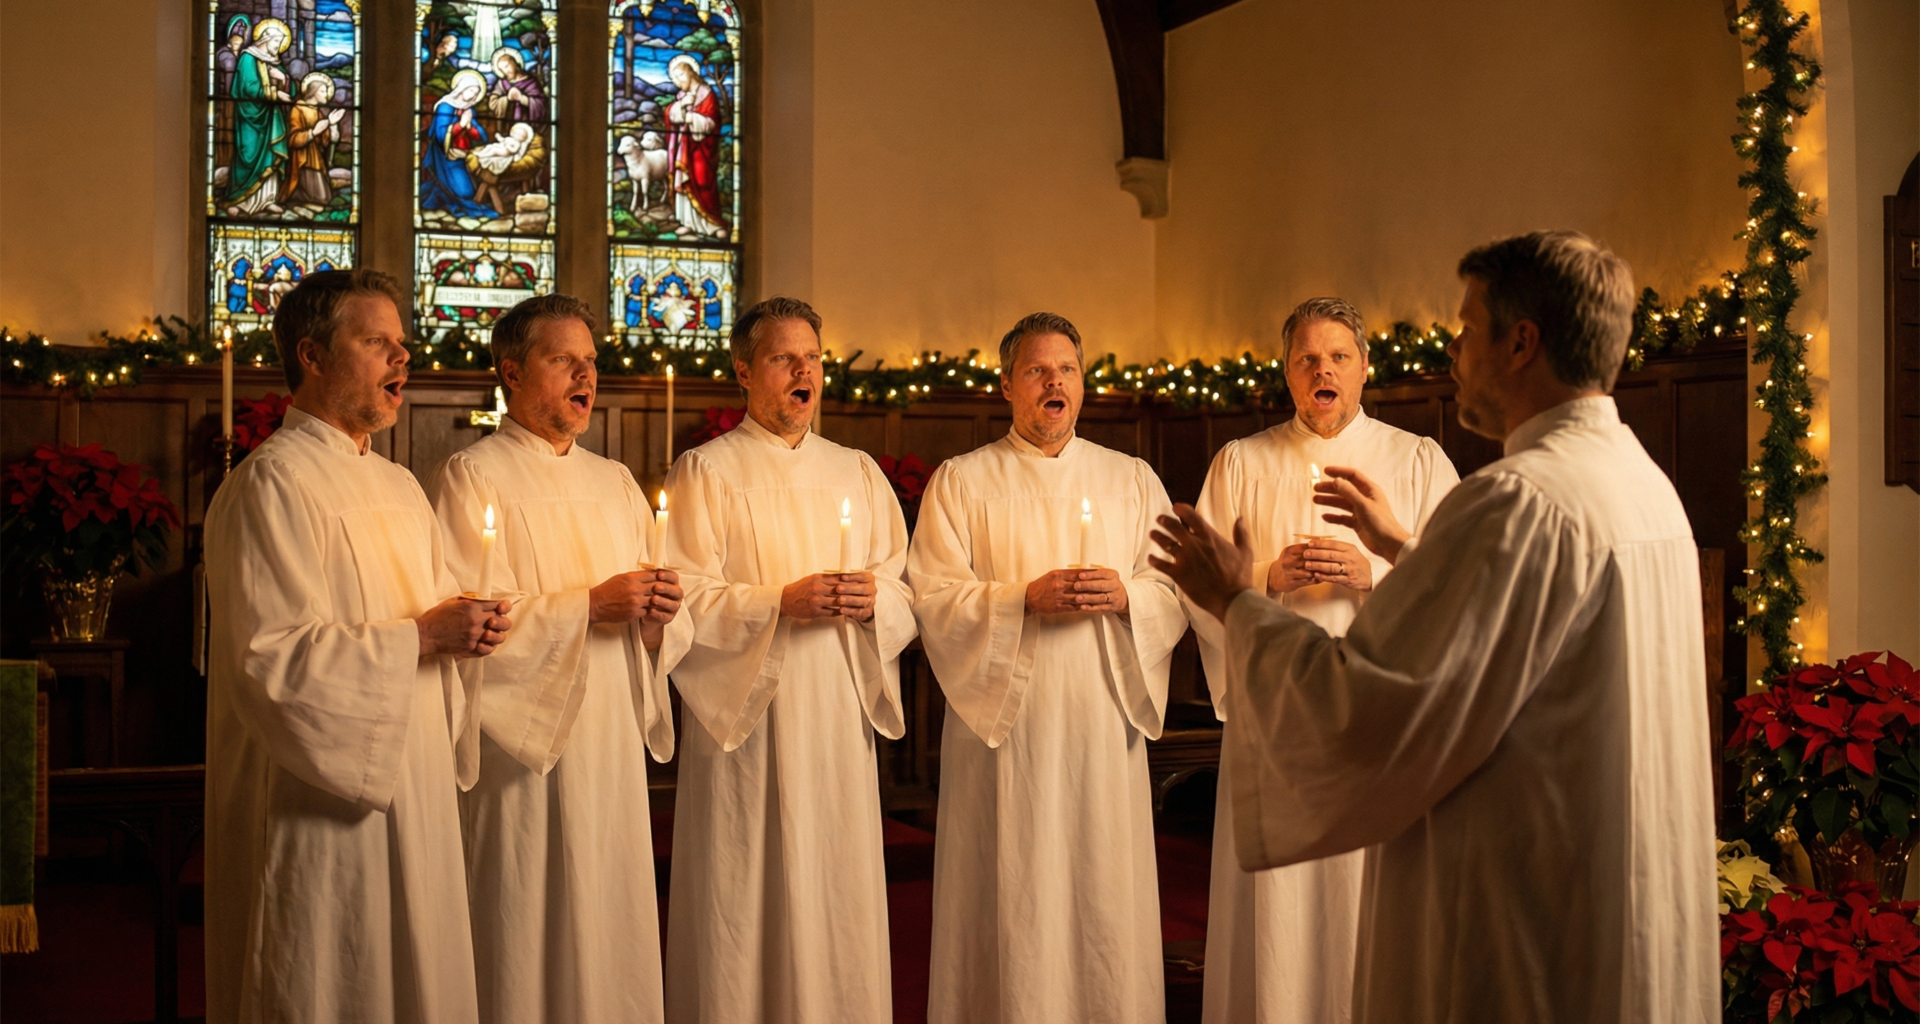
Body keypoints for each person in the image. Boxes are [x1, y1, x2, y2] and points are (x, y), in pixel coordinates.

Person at [1149, 231, 1716, 1024]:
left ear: (1521, 343)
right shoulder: (1641, 486)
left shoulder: (1519, 499)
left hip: (1529, 911)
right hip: (1622, 890)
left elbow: (1362, 710)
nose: (1452, 350)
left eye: (1465, 326)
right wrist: (1404, 548)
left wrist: (1237, 599)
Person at [203, 268, 511, 1024]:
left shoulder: (403, 486)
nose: (401, 360)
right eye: (377, 343)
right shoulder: (270, 484)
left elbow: (437, 617)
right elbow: (270, 658)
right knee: (329, 973)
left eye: (401, 346)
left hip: (415, 778)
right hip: (319, 797)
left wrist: (470, 629)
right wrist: (425, 634)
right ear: (311, 355)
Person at [908, 312, 1187, 1024]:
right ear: (1007, 385)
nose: (1054, 382)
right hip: (1007, 732)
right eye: (1037, 370)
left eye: (1066, 369)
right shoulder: (962, 481)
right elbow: (932, 598)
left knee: (1100, 890)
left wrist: (1128, 594)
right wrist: (1018, 600)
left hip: (1101, 718)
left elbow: (1175, 588)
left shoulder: (1131, 479)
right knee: (1012, 891)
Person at [1192, 298, 1457, 1024]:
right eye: (1307, 358)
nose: (1323, 370)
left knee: (1371, 896)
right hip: (1279, 720)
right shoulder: (1241, 463)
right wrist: (1268, 581)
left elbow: (1463, 587)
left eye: (1339, 356)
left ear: (1365, 368)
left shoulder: (1417, 461)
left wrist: (1375, 576)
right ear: (1286, 372)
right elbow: (1197, 590)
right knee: (1279, 910)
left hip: (1382, 720)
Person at [427, 295, 685, 1024]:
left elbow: (659, 614)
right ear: (511, 371)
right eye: (563, 360)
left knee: (609, 912)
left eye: (592, 362)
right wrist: (586, 608)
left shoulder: (615, 483)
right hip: (523, 749)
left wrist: (661, 619)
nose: (586, 376)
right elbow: (468, 618)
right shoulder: (472, 477)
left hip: (605, 737)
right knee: (523, 912)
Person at [661, 297, 915, 1023]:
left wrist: (873, 600)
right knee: (745, 881)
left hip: (836, 708)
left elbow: (902, 587)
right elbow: (682, 594)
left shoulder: (858, 472)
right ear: (744, 370)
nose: (804, 371)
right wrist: (780, 603)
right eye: (783, 358)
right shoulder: (705, 471)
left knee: (835, 880)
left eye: (813, 357)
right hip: (748, 718)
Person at [223, 18, 292, 216]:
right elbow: (247, 87)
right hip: (250, 117)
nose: (278, 47)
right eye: (276, 43)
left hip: (271, 118)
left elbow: (290, 87)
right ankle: (238, 199)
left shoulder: (274, 63)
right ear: (265, 39)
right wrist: (274, 93)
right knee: (247, 154)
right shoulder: (247, 58)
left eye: (280, 44)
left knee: (270, 155)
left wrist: (284, 80)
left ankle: (268, 199)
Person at [664, 55, 728, 239]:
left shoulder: (707, 94)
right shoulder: (682, 96)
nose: (678, 82)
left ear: (691, 73)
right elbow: (671, 115)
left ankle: (712, 223)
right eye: (674, 79)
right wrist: (680, 107)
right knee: (684, 182)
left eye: (680, 76)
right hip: (684, 148)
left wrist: (693, 118)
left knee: (703, 181)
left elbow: (713, 122)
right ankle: (688, 222)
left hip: (701, 149)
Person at [422, 69, 499, 221]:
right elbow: (440, 136)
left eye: (476, 93)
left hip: (464, 154)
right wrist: (460, 125)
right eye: (471, 90)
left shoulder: (468, 110)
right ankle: (440, 193)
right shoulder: (445, 107)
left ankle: (439, 191)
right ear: (461, 88)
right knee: (465, 193)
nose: (473, 96)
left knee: (471, 186)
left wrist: (470, 127)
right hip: (446, 156)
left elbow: (482, 136)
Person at [286, 73, 345, 207]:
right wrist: (313, 132)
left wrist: (333, 124)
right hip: (303, 162)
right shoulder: (298, 109)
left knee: (325, 197)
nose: (326, 95)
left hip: (317, 161)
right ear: (313, 92)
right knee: (321, 198)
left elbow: (330, 141)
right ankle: (292, 195)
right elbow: (293, 140)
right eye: (323, 91)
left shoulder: (318, 113)